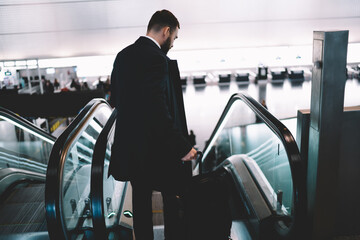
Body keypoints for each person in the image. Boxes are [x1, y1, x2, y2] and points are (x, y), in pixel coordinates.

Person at [109, 9, 197, 240]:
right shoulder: (158, 60)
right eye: (175, 37)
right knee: (172, 196)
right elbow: (158, 108)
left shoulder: (122, 55)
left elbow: (114, 99)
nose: (173, 43)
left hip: (132, 148)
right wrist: (182, 146)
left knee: (140, 201)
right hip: (156, 148)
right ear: (167, 31)